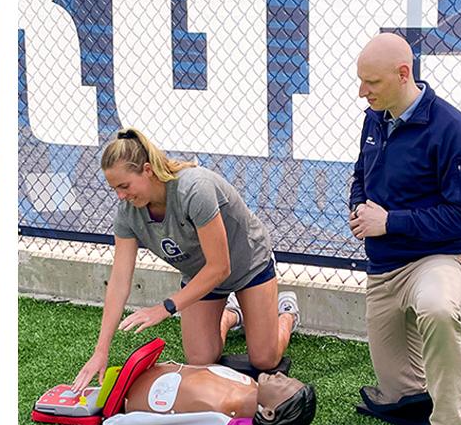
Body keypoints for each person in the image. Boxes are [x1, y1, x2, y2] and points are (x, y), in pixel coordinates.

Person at [348, 33, 461, 425]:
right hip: (385, 270)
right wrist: (358, 208)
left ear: (404, 74)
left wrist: (391, 222)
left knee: (438, 308)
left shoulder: (451, 128)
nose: (363, 92)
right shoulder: (374, 118)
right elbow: (361, 174)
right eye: (361, 82)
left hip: (438, 260)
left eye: (371, 81)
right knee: (405, 393)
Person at [72, 128, 300, 393]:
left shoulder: (193, 189)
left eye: (124, 186)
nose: (121, 196)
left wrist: (165, 308)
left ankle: (287, 314)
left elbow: (220, 266)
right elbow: (120, 281)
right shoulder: (127, 213)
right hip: (200, 276)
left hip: (246, 264)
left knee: (265, 358)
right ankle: (232, 314)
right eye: (114, 189)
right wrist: (101, 351)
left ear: (147, 170)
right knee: (201, 361)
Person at [104, 362, 316, 425]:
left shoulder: (218, 407)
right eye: (287, 378)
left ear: (268, 413)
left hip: (126, 391)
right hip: (136, 371)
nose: (280, 376)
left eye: (284, 385)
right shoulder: (249, 384)